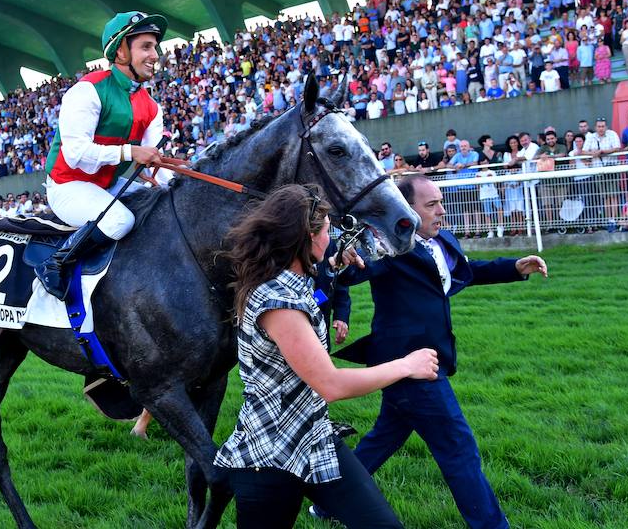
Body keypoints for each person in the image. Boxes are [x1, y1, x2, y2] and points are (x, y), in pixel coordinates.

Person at [214, 184, 439, 529]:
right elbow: (330, 384)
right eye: (328, 229)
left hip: (314, 438)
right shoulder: (278, 301)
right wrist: (407, 365)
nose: (331, 236)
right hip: (269, 453)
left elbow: (314, 296)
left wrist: (330, 268)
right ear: (308, 236)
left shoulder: (291, 280)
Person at [332, 176, 548, 529]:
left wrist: (514, 267)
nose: (441, 211)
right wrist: (342, 259)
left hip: (428, 361)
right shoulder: (389, 248)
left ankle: (329, 503)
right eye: (431, 205)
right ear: (406, 210)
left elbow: (463, 272)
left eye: (441, 202)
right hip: (409, 367)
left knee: (384, 437)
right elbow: (348, 274)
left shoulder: (442, 240)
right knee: (458, 448)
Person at [38, 11, 174, 298]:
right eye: (146, 47)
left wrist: (174, 187)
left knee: (164, 207)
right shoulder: (88, 90)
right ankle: (56, 263)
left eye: (155, 47)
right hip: (67, 186)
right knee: (119, 221)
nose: (155, 54)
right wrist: (130, 151)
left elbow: (155, 163)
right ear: (122, 51)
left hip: (107, 185)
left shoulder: (151, 107)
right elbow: (75, 154)